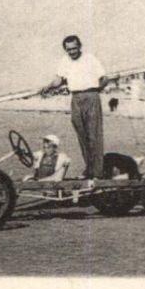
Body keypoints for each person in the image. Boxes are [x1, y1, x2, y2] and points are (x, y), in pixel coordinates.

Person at [42, 34, 107, 181]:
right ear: (65, 50)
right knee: (82, 136)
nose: (72, 52)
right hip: (75, 98)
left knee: (94, 136)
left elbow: (105, 78)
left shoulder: (90, 58)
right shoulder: (64, 61)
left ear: (80, 46)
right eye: (68, 49)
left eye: (74, 48)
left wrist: (94, 92)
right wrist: (48, 87)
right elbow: (59, 80)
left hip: (91, 96)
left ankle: (98, 173)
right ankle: (89, 170)